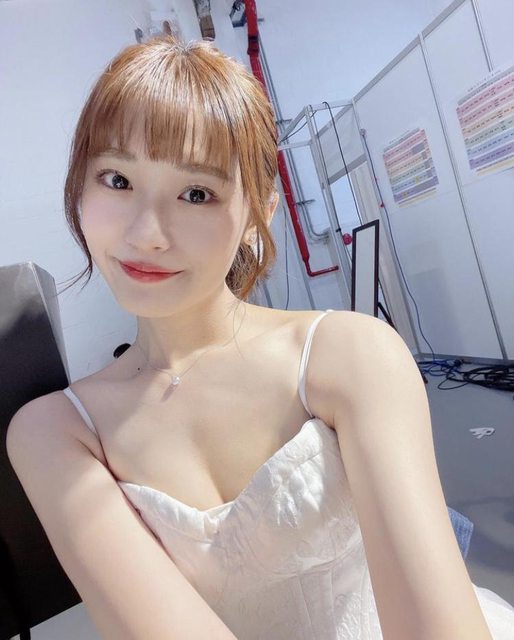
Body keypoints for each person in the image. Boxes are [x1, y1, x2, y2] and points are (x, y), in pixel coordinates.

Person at [6, 35, 514, 640]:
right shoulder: (53, 432)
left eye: (196, 193)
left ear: (258, 213)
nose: (146, 233)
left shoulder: (349, 354)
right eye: (116, 179)